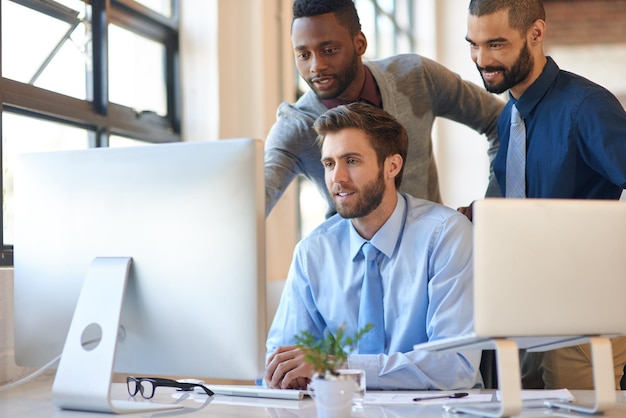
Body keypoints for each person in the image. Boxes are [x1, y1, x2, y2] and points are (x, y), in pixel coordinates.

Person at [465, 0, 626, 390]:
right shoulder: (509, 117)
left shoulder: (586, 106)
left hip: (581, 320)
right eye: (473, 44)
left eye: (496, 45)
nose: (481, 59)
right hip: (522, 315)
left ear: (535, 34)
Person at [264, 103, 481, 390]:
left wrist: (338, 367)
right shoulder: (313, 252)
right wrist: (288, 375)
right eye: (329, 163)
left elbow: (455, 366)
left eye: (351, 161)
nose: (337, 178)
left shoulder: (445, 235)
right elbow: (282, 360)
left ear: (392, 166)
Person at [264, 0, 505, 218]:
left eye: (329, 50)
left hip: (432, 255)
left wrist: (490, 206)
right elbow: (252, 202)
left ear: (360, 43)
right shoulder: (295, 126)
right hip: (353, 261)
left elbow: (501, 120)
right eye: (304, 54)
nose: (316, 66)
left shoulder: (416, 76)